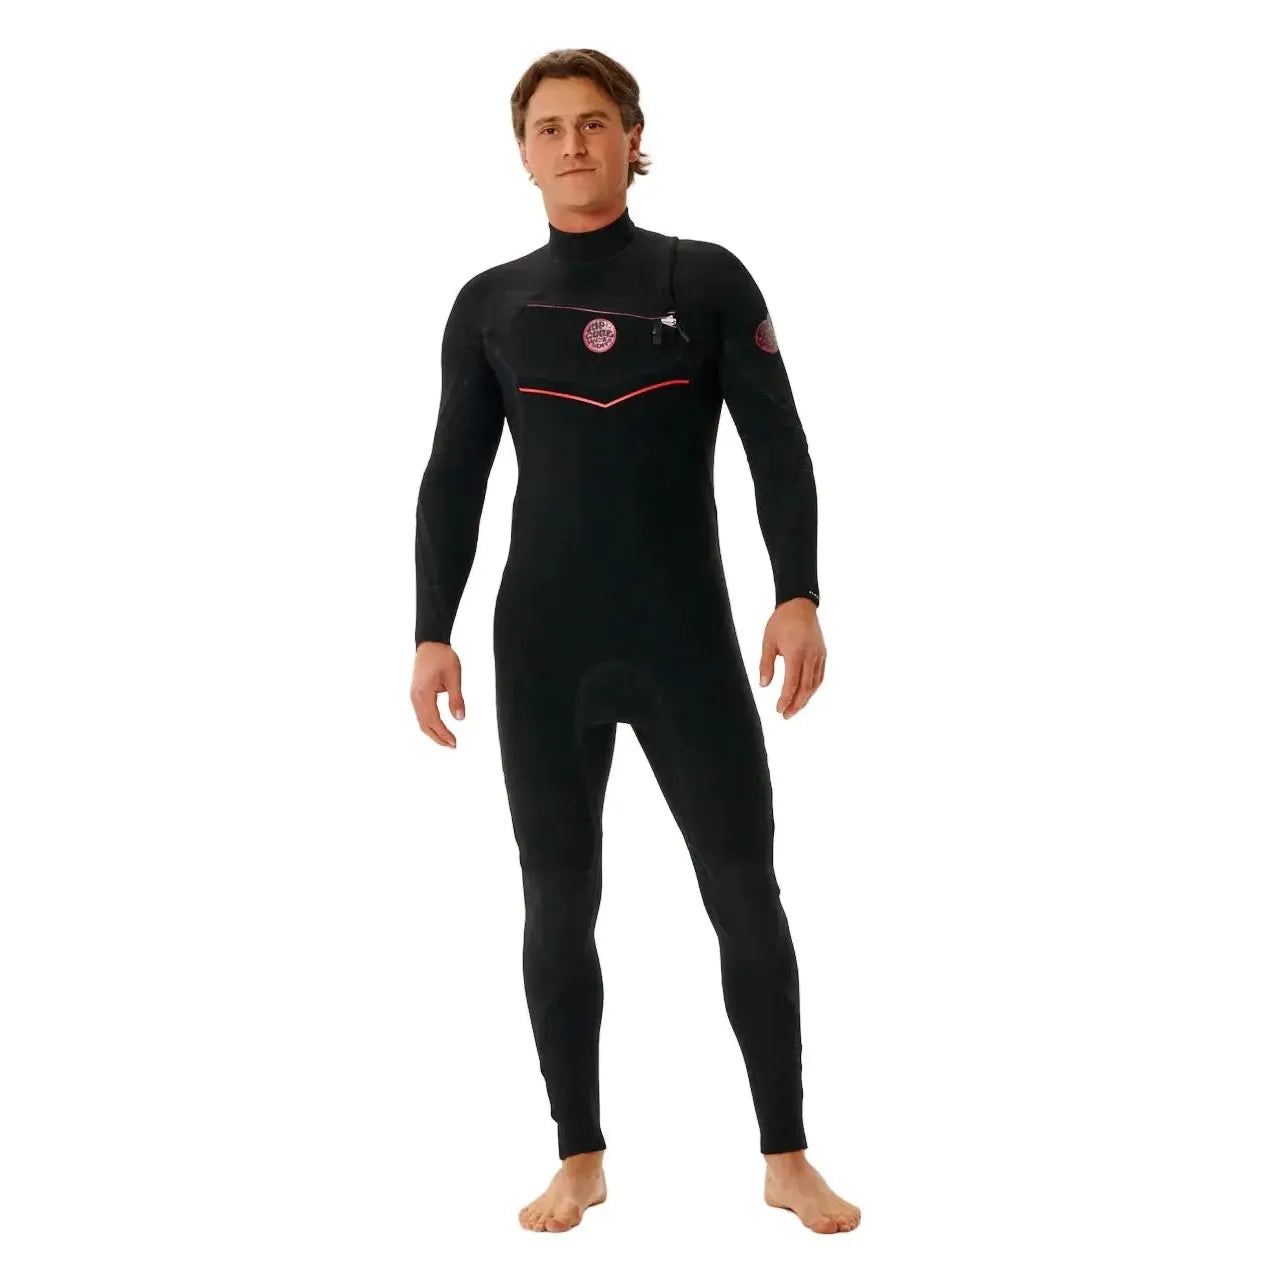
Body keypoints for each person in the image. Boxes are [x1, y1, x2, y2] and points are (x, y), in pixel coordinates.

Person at [410, 48, 860, 1237]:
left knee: (743, 886)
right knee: (556, 898)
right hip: (542, 643)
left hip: (683, 640)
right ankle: (579, 1155)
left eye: (593, 122)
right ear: (521, 153)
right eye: (548, 127)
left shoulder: (703, 278)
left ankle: (785, 1154)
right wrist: (430, 631)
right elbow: (453, 475)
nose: (572, 143)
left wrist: (798, 592)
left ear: (631, 137)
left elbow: (777, 443)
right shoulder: (490, 303)